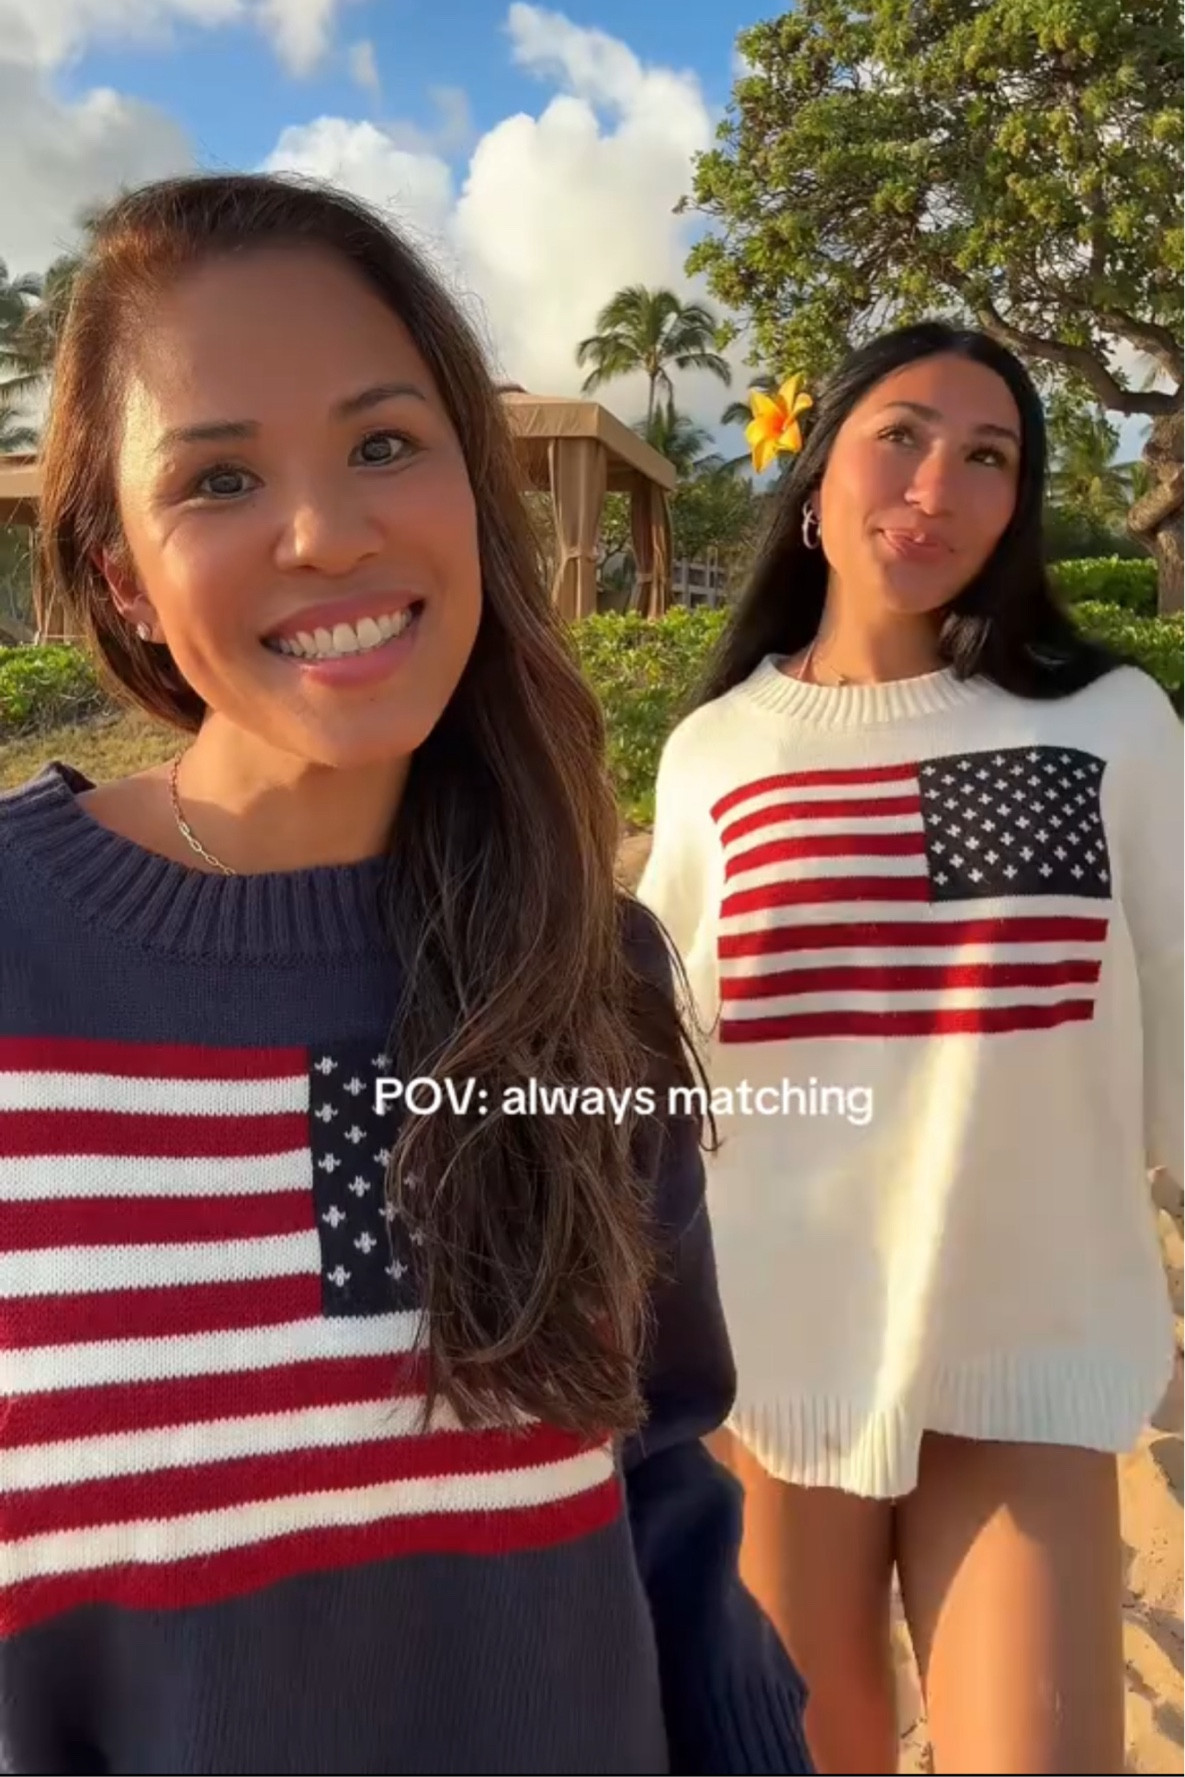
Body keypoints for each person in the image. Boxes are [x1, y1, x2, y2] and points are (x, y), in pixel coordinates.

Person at [0, 171, 814, 1777]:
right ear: (117, 575)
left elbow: (657, 1468)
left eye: (384, 444)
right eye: (219, 478)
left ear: (471, 484)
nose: (327, 531)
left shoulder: (593, 966)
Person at [637, 321, 1183, 1775]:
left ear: (1015, 508)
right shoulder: (715, 752)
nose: (937, 480)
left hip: (1028, 1346)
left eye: (986, 454)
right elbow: (654, 1052)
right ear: (813, 481)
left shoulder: (1112, 724)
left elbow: (1180, 1006)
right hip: (774, 1361)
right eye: (901, 434)